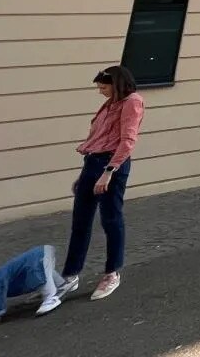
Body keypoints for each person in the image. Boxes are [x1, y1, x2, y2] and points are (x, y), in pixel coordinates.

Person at [59, 65, 144, 302]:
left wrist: (108, 172)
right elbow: (97, 138)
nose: (100, 91)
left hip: (112, 165)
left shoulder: (131, 102)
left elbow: (127, 141)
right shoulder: (110, 103)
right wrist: (85, 174)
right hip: (93, 162)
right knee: (80, 220)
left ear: (116, 84)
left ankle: (112, 273)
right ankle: (70, 275)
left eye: (103, 86)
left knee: (111, 219)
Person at [0, 245, 66, 324]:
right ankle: (61, 285)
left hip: (39, 258)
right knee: (41, 272)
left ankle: (51, 296)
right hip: (43, 254)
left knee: (37, 272)